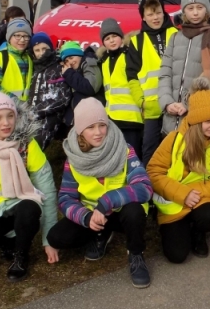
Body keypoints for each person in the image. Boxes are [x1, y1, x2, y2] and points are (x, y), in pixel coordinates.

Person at [47, 98, 153, 288]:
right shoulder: (73, 159)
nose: (98, 132)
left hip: (121, 212)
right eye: (91, 127)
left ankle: (136, 255)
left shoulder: (124, 149)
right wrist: (86, 218)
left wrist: (107, 202)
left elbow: (144, 187)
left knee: (135, 211)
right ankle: (100, 233)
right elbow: (65, 198)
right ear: (80, 131)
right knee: (55, 237)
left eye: (102, 125)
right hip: (92, 214)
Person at [0, 93, 59, 281]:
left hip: (23, 205)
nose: (6, 123)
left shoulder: (28, 146)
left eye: (10, 116)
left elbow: (47, 190)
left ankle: (21, 255)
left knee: (28, 207)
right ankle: (9, 237)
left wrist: (49, 240)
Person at [147, 77, 210, 263]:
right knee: (176, 256)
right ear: (195, 120)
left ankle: (198, 232)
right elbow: (153, 172)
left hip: (201, 199)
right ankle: (177, 227)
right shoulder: (174, 139)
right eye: (208, 120)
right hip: (174, 199)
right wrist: (183, 194)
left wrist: (195, 193)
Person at [159, 0, 210, 135]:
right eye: (190, 8)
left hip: (198, 119)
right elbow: (165, 74)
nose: (195, 13)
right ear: (183, 11)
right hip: (171, 120)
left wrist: (189, 104)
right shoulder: (175, 38)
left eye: (200, 7)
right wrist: (167, 103)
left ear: (207, 10)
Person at [126, 0, 178, 165]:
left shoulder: (177, 35)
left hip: (175, 104)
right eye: (150, 14)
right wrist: (141, 102)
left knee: (175, 149)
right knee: (149, 150)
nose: (155, 18)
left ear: (163, 12)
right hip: (152, 108)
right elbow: (131, 77)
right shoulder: (136, 41)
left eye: (158, 12)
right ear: (143, 17)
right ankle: (148, 187)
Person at [97, 18, 144, 159]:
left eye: (115, 36)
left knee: (133, 158)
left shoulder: (129, 55)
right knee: (117, 158)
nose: (111, 41)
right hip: (112, 119)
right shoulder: (104, 62)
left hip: (132, 119)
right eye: (107, 38)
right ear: (103, 43)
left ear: (121, 38)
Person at [27, 32, 73, 149]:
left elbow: (64, 98)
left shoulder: (59, 68)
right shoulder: (32, 68)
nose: (41, 53)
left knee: (33, 147)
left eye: (44, 48)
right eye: (37, 50)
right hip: (29, 115)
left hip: (50, 116)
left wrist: (38, 112)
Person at [0, 17, 34, 102]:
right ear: (9, 37)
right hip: (2, 107)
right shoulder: (0, 58)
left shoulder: (29, 59)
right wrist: (14, 101)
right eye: (17, 36)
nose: (22, 40)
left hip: (23, 110)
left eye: (26, 36)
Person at [60, 40, 103, 128]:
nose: (70, 62)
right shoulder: (75, 71)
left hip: (93, 117)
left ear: (79, 54)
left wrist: (69, 73)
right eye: (66, 61)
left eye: (71, 58)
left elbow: (91, 87)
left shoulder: (88, 61)